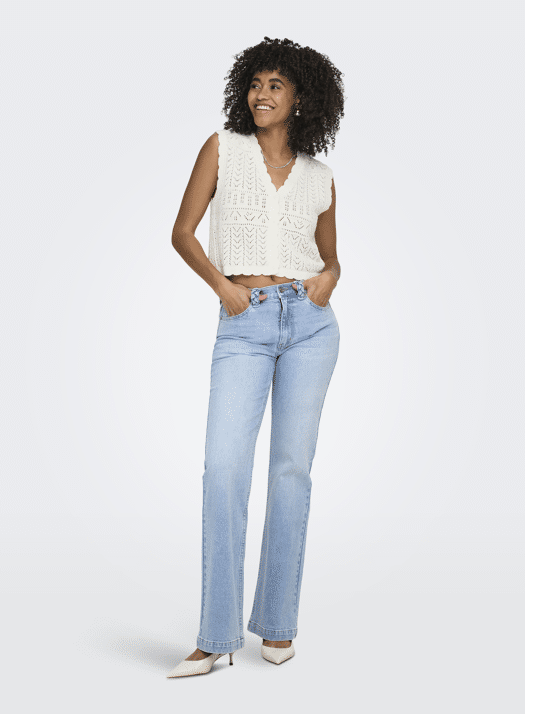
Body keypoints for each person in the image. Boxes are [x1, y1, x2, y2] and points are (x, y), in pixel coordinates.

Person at [167, 36, 345, 678]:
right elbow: (183, 232)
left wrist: (329, 279)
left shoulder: (320, 176)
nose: (261, 95)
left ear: (302, 98)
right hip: (244, 322)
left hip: (310, 327)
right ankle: (216, 636)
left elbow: (331, 258)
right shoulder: (223, 148)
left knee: (291, 472)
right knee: (224, 469)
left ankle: (276, 624)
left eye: (276, 85)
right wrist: (224, 288)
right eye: (255, 83)